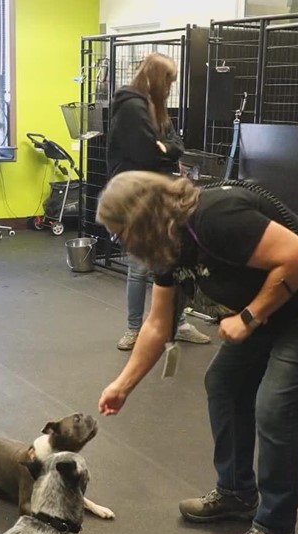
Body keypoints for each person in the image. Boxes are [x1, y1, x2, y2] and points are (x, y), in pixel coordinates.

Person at [96, 171, 298, 534]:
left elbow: (297, 257)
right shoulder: (167, 244)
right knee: (223, 382)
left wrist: (249, 316)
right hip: (278, 299)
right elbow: (158, 322)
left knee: (276, 408)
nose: (120, 242)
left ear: (143, 219)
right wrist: (123, 385)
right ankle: (238, 493)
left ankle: (276, 529)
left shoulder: (216, 216)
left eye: (121, 233)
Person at [106, 52, 210, 351]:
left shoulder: (157, 109)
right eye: (169, 81)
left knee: (173, 262)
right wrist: (164, 151)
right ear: (156, 78)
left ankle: (177, 323)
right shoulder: (131, 107)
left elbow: (176, 144)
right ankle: (134, 329)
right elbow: (144, 154)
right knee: (139, 266)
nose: (170, 88)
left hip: (163, 193)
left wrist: (166, 148)